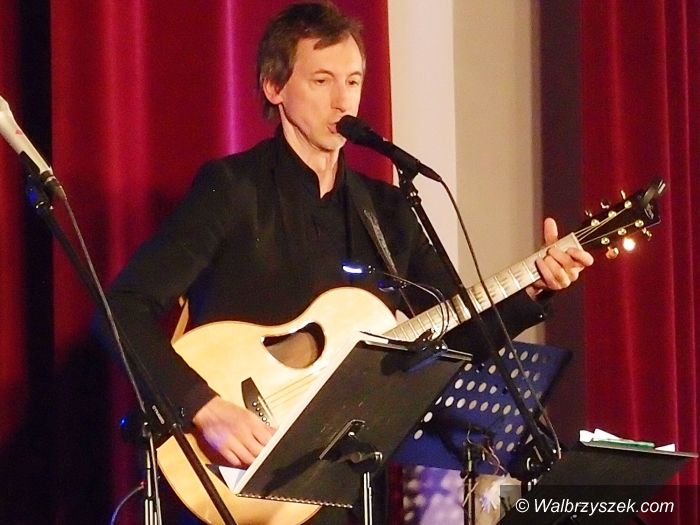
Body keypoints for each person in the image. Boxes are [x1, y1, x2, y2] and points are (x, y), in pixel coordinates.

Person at [98, 1, 593, 523]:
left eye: (353, 82)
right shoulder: (232, 190)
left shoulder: (389, 211)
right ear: (274, 87)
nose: (343, 100)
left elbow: (457, 335)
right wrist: (203, 406)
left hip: (346, 486)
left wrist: (535, 286)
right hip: (235, 470)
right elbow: (121, 309)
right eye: (322, 81)